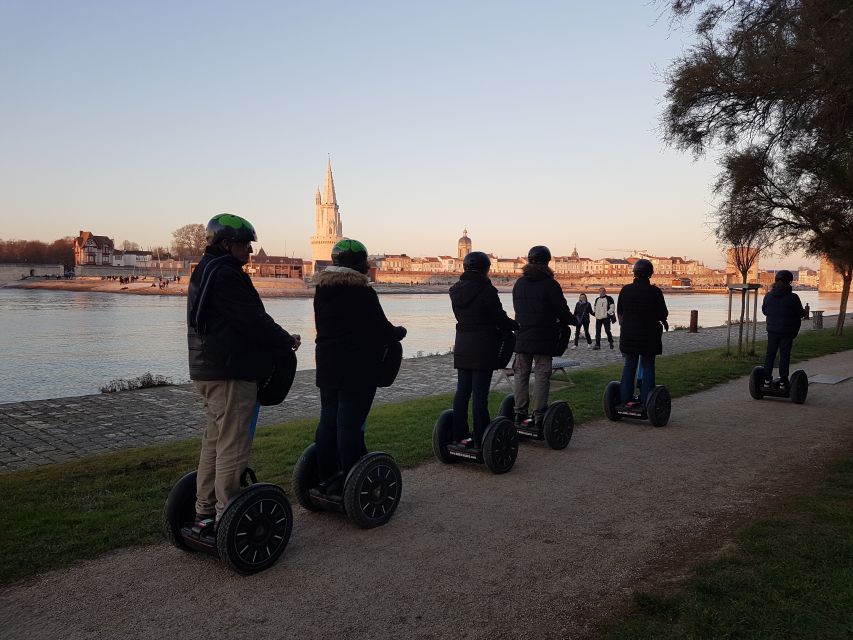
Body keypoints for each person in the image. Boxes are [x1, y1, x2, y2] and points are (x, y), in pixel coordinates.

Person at [187, 213, 301, 528]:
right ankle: (228, 515)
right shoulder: (226, 275)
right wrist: (285, 340)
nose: (250, 252)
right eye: (245, 245)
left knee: (214, 440)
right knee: (233, 444)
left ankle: (204, 512)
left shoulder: (205, 271)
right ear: (227, 244)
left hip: (206, 370)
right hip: (231, 373)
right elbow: (251, 320)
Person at [313, 238, 407, 495]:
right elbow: (380, 329)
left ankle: (327, 475)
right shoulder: (362, 292)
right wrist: (400, 332)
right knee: (350, 425)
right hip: (357, 368)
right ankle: (353, 480)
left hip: (327, 366)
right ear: (358, 264)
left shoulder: (322, 290)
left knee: (328, 421)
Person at [449, 251, 519, 446]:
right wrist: (515, 325)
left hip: (463, 344)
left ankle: (459, 434)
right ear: (485, 269)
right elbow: (498, 317)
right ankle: (481, 436)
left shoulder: (455, 291)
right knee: (480, 394)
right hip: (483, 346)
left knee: (462, 391)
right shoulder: (486, 290)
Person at [512, 245, 576, 427]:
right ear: (547, 262)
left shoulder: (520, 284)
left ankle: (519, 413)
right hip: (544, 336)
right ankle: (539, 414)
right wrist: (574, 320)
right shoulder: (550, 284)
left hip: (522, 336)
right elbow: (561, 311)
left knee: (521, 374)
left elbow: (519, 309)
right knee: (541, 374)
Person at [616, 259, 668, 408]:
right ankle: (647, 400)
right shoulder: (655, 292)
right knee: (648, 366)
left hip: (629, 336)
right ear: (650, 274)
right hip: (648, 337)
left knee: (629, 366)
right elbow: (662, 313)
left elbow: (620, 312)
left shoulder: (625, 290)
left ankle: (625, 399)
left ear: (635, 273)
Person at [761, 270, 806, 390]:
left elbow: (764, 311)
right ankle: (783, 381)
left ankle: (766, 380)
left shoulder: (768, 296)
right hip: (787, 331)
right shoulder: (793, 298)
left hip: (772, 330)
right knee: (784, 355)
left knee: (770, 355)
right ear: (789, 282)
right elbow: (800, 313)